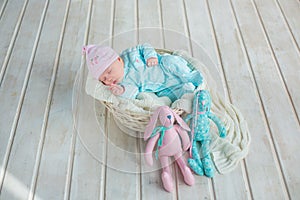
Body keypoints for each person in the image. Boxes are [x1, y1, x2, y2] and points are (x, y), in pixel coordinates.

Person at [82, 43, 202, 102]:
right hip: (161, 88)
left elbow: (145, 46)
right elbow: (133, 93)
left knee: (171, 61)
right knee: (168, 97)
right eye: (103, 79)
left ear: (118, 59)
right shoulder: (122, 83)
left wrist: (151, 57)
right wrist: (122, 92)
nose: (108, 79)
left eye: (109, 71)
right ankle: (187, 90)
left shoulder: (130, 55)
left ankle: (190, 77)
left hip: (163, 67)